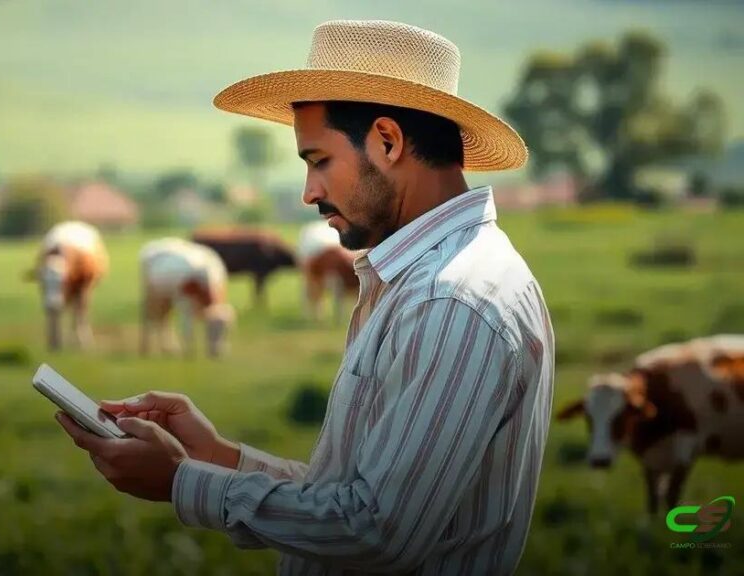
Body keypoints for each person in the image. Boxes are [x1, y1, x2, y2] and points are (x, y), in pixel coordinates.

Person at [55, 19, 555, 575]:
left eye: (318, 160)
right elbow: (348, 493)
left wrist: (180, 481)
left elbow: (374, 529)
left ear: (387, 141)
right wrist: (217, 456)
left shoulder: (450, 301)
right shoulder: (421, 281)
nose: (309, 191)